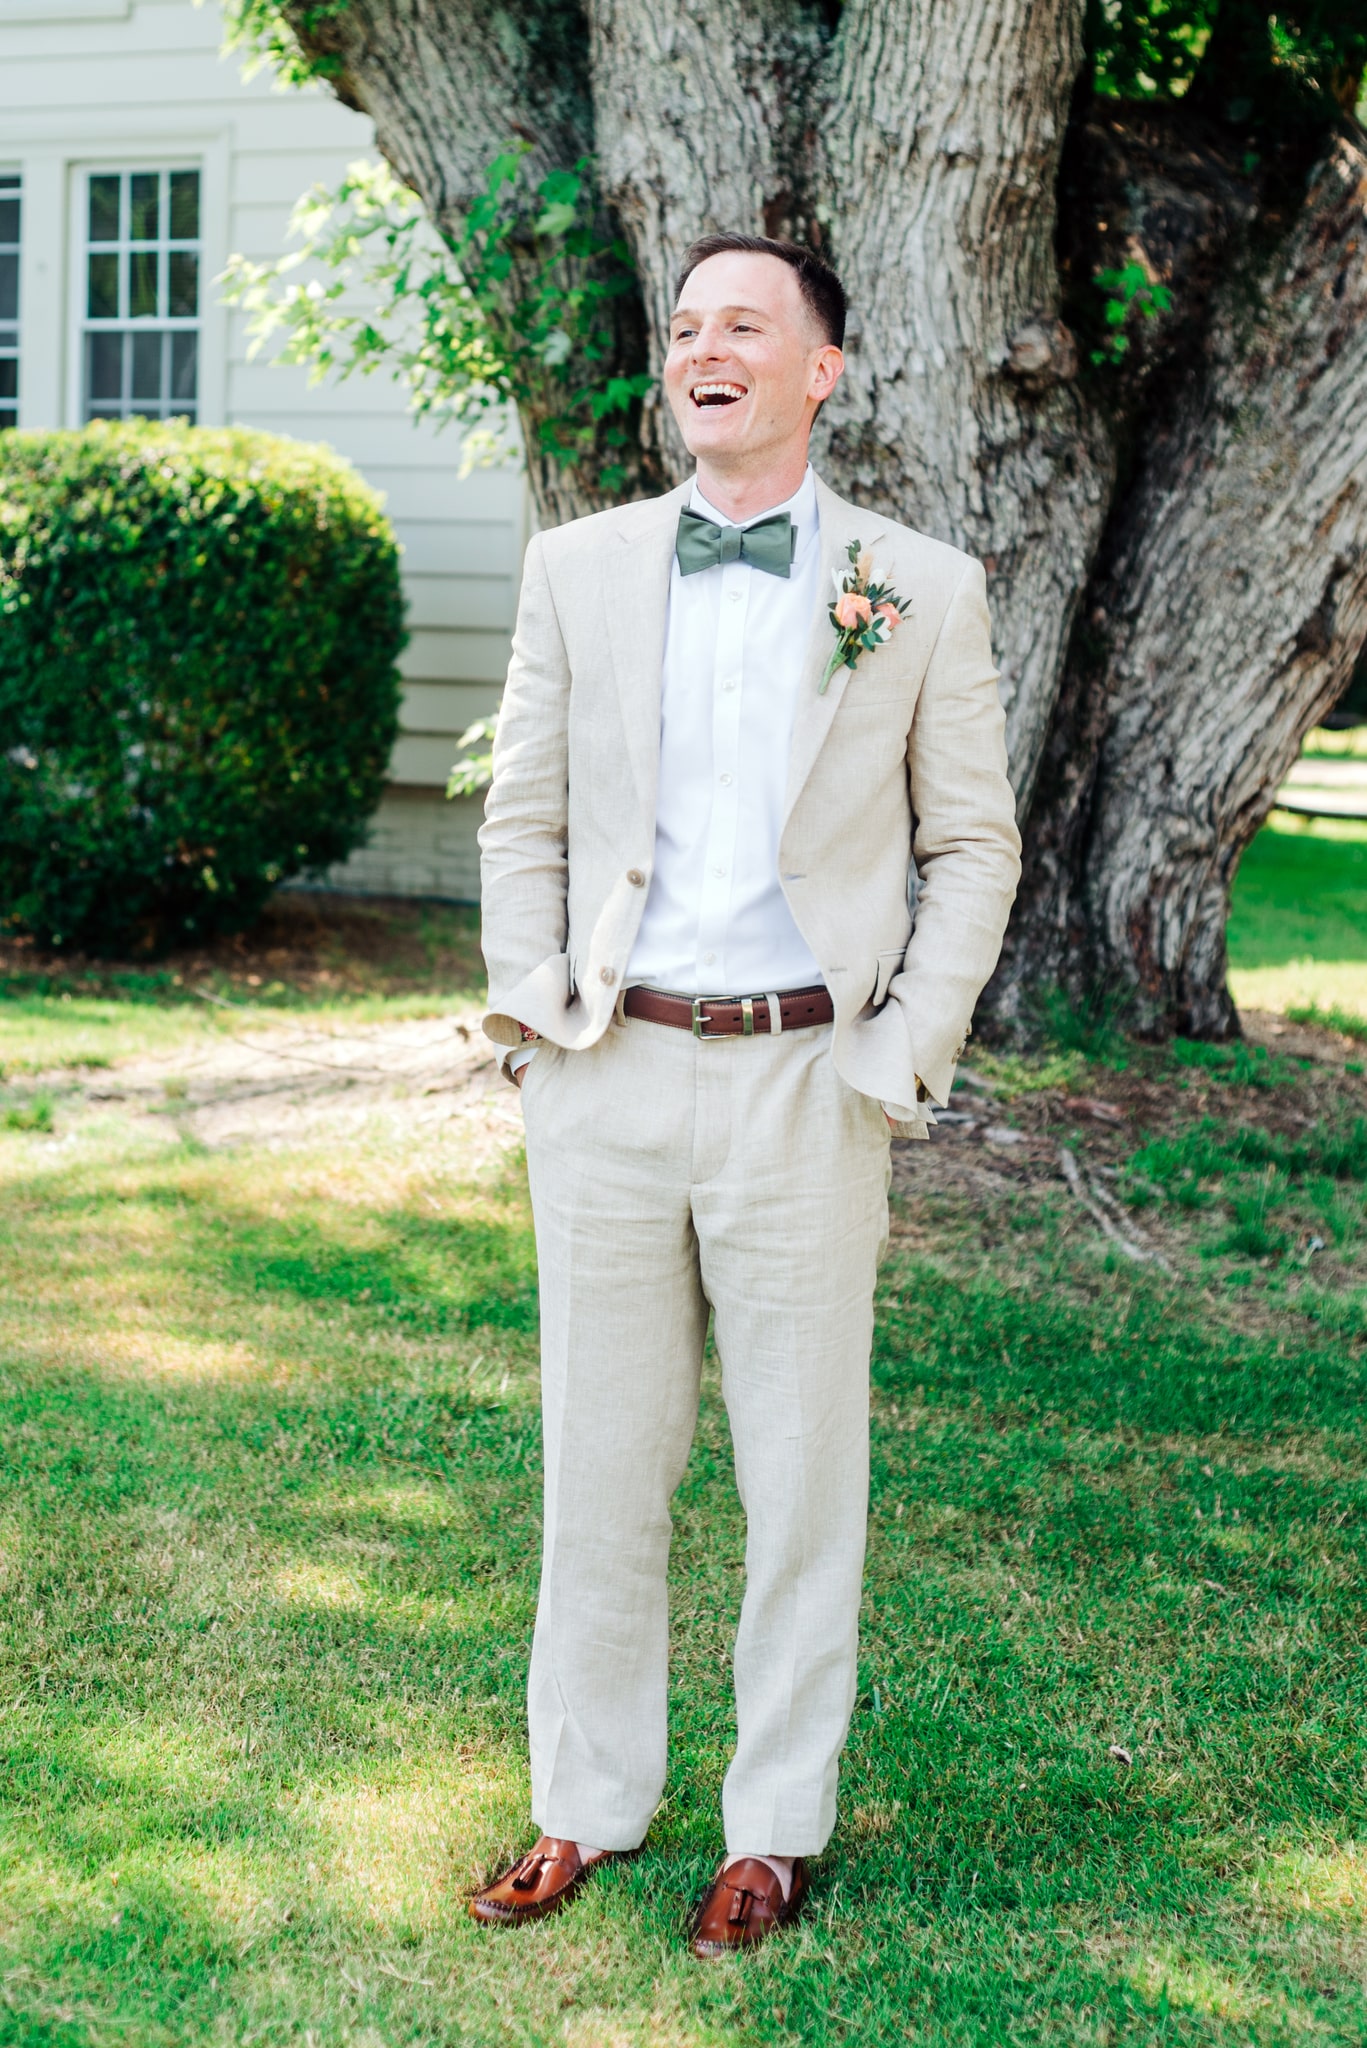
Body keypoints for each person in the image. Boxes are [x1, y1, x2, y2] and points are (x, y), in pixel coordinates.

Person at [469, 232, 1021, 1957]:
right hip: (610, 1070)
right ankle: (587, 1803)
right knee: (600, 1469)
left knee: (803, 1481)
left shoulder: (916, 583)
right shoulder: (580, 566)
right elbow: (525, 815)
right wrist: (529, 1012)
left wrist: (893, 1047)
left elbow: (972, 844)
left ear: (822, 369)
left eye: (745, 326)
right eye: (686, 325)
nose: (705, 347)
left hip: (807, 1080)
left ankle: (772, 1830)